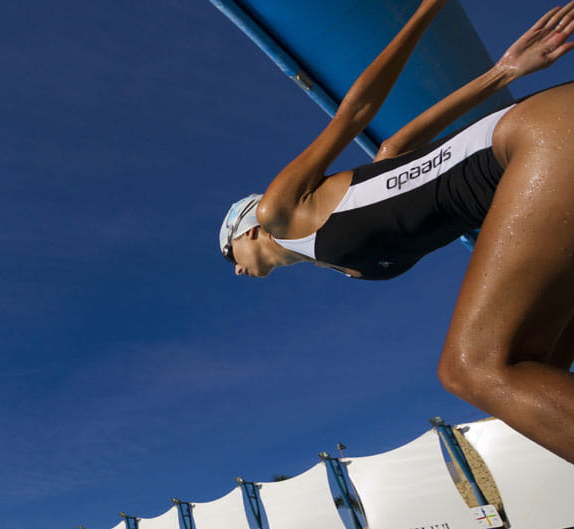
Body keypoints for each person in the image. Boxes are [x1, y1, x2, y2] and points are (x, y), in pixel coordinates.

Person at [219, 0, 574, 464]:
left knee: (469, 369)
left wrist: (450, 26)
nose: (237, 272)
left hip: (535, 139)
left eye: (230, 258)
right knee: (535, 370)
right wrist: (502, 73)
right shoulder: (354, 267)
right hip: (548, 166)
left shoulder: (280, 212)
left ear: (246, 232)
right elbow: (395, 149)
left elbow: (355, 112)